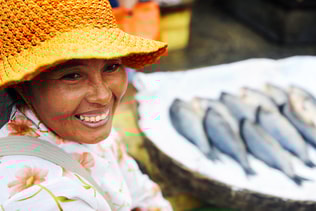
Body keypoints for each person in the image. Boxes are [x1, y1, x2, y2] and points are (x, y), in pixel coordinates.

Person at [0, 0, 171, 210]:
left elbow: (144, 196)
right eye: (72, 76)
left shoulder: (88, 132)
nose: (103, 96)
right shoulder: (39, 195)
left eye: (111, 67)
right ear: (21, 84)